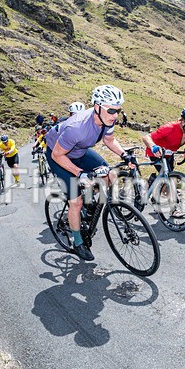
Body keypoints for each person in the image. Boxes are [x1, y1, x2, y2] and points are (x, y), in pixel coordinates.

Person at [45, 85, 135, 261]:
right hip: (58, 155)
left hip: (79, 150)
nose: (115, 115)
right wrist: (80, 173)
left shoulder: (107, 119)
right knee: (76, 202)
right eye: (111, 110)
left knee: (110, 175)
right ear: (97, 106)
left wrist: (125, 154)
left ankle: (91, 203)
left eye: (118, 110)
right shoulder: (76, 127)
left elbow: (109, 139)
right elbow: (57, 154)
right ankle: (77, 242)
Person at [141, 107, 185, 201]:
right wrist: (153, 147)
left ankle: (154, 190)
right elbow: (146, 137)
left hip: (169, 154)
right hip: (156, 153)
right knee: (171, 180)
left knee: (167, 177)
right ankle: (173, 208)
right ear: (183, 122)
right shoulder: (169, 128)